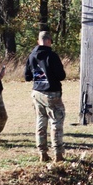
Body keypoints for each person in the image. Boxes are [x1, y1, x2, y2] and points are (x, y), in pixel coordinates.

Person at [23, 31, 66, 162]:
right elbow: (61, 76)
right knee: (56, 122)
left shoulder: (31, 56)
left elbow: (27, 77)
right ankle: (58, 154)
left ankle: (42, 153)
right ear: (48, 40)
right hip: (51, 93)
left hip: (36, 93)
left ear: (38, 41)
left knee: (41, 122)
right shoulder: (52, 56)